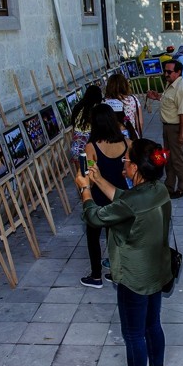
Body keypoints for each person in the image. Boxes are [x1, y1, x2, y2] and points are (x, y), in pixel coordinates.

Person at [75, 139, 172, 366]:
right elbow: (126, 200)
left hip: (133, 275)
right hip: (156, 269)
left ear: (138, 167)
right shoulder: (159, 189)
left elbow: (95, 217)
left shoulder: (132, 201)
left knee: (133, 335)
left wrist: (85, 190)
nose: (123, 163)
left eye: (127, 160)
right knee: (153, 324)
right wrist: (100, 180)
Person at [79, 104, 129, 288]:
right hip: (119, 194)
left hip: (99, 196)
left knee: (93, 236)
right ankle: (116, 272)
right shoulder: (126, 143)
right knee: (114, 236)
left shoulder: (91, 146)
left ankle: (96, 275)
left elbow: (89, 174)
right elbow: (127, 171)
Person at [146, 60, 183, 199]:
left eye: (169, 72)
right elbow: (170, 102)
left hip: (175, 128)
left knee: (178, 159)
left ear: (178, 72)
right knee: (169, 159)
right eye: (165, 71)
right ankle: (169, 186)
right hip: (167, 127)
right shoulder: (170, 85)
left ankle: (182, 188)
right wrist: (158, 97)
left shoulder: (181, 88)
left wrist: (182, 133)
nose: (166, 74)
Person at [70, 85, 104, 165]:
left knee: (83, 173)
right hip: (88, 147)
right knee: (92, 172)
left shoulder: (77, 107)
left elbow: (74, 127)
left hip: (76, 146)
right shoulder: (96, 109)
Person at [105, 73, 143, 139]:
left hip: (113, 138)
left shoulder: (105, 103)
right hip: (131, 135)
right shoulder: (133, 99)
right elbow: (140, 122)